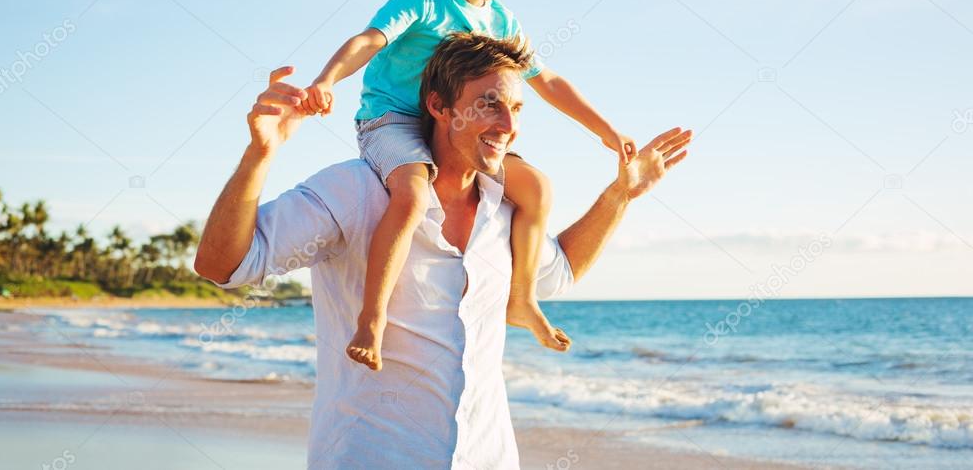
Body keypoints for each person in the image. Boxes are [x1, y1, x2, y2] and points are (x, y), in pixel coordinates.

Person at [195, 32, 691, 468]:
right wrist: (260, 156)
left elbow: (556, 275)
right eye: (489, 103)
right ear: (438, 106)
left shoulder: (508, 210)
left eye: (516, 108)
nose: (506, 124)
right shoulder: (355, 191)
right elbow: (223, 265)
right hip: (370, 457)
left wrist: (620, 195)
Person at [300, 0, 636, 370]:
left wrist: (606, 131)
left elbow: (549, 81)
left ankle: (521, 298)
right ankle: (372, 319)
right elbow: (370, 39)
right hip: (394, 121)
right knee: (413, 194)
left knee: (537, 188)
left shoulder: (503, 23)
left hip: (460, 130)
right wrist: (326, 79)